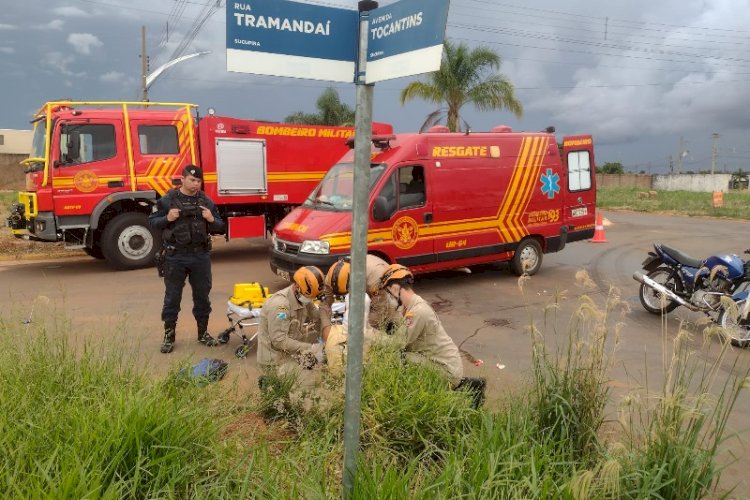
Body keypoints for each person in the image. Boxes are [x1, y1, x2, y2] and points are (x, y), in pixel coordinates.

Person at [149, 165, 226, 354]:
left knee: (202, 296)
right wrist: (167, 218)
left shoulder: (205, 201)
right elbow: (152, 221)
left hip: (200, 256)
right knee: (172, 297)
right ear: (182, 179)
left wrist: (210, 219)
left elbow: (221, 227)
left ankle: (203, 333)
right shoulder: (168, 200)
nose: (195, 184)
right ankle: (169, 336)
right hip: (176, 256)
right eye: (192, 180)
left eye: (198, 181)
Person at [380, 263, 464, 387]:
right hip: (439, 364)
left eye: (387, 293)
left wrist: (370, 336)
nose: (387, 298)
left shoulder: (417, 311)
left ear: (395, 289)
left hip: (447, 372)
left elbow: (397, 343)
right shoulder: (409, 307)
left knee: (397, 358)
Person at [256, 266, 332, 374]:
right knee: (305, 383)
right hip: (274, 360)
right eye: (309, 296)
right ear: (297, 286)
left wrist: (324, 339)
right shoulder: (280, 306)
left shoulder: (304, 295)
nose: (310, 300)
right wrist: (310, 347)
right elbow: (279, 341)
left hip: (290, 352)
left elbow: (316, 318)